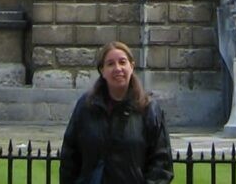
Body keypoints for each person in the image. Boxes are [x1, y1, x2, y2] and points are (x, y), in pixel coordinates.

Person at [59, 41, 174, 184]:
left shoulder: (149, 109)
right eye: (110, 64)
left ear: (131, 66)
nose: (117, 68)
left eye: (122, 62)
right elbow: (70, 158)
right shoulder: (86, 107)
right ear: (102, 70)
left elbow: (161, 163)